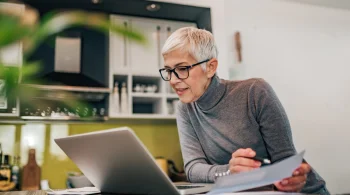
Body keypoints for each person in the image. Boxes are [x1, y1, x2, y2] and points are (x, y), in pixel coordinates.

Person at [159, 27, 329, 195]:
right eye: (168, 70)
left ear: (210, 67)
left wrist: (288, 176)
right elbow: (193, 169)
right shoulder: (185, 108)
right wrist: (229, 172)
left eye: (182, 69)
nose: (173, 80)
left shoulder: (255, 92)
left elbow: (285, 163)